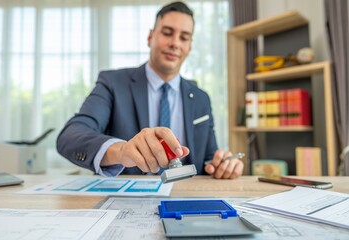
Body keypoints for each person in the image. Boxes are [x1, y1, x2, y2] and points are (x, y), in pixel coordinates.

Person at [56, 1, 244, 179]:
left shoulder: (201, 99)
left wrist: (224, 164)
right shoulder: (113, 83)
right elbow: (70, 136)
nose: (175, 43)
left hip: (185, 198)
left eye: (184, 38)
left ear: (189, 46)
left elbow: (209, 160)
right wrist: (121, 151)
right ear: (150, 37)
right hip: (125, 201)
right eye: (167, 33)